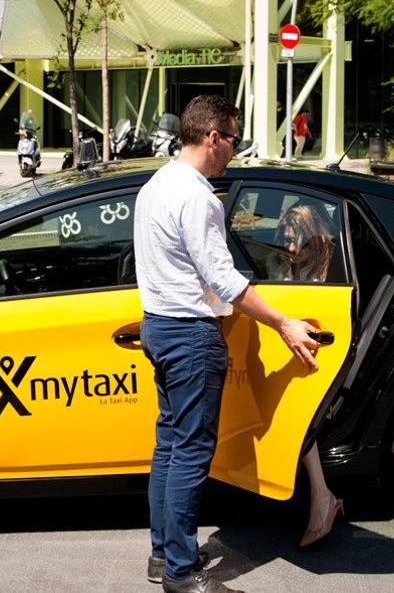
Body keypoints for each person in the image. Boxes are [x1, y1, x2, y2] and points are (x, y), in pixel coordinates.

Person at [135, 94, 321, 593]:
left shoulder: (155, 184)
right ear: (213, 138)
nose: (235, 151)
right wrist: (282, 322)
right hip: (190, 335)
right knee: (191, 453)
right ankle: (181, 571)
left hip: (157, 325)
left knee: (170, 447)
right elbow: (225, 281)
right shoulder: (196, 196)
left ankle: (162, 554)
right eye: (233, 140)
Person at [267, 204, 345, 547]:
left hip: (323, 359)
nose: (290, 248)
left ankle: (322, 498)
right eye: (285, 239)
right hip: (292, 356)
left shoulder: (327, 271)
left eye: (296, 240)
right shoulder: (280, 264)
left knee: (296, 408)